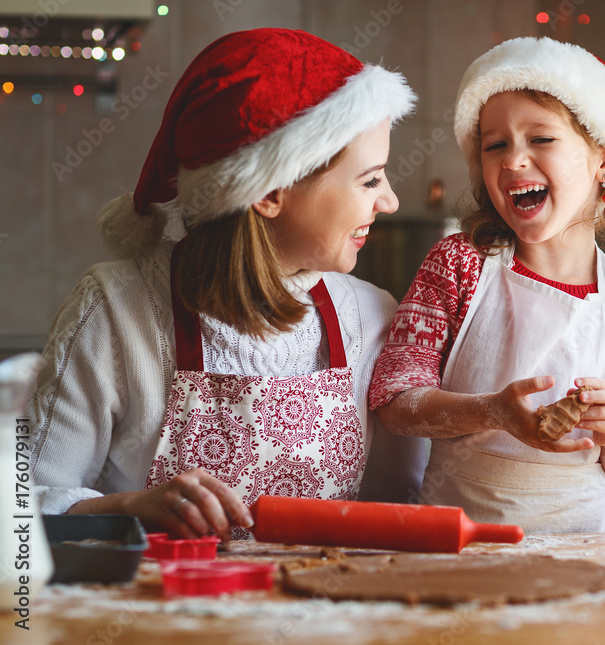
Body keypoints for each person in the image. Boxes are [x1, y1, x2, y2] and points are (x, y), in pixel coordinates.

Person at [27, 28, 425, 540]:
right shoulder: (116, 309)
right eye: (370, 180)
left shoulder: (372, 315)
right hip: (155, 617)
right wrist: (130, 509)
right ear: (270, 193)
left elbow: (399, 508)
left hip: (323, 615)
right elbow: (22, 508)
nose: (388, 201)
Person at [369, 37, 605, 533]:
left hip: (586, 543)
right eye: (495, 145)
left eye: (541, 139)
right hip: (459, 539)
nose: (513, 160)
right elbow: (395, 401)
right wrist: (493, 412)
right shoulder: (457, 266)